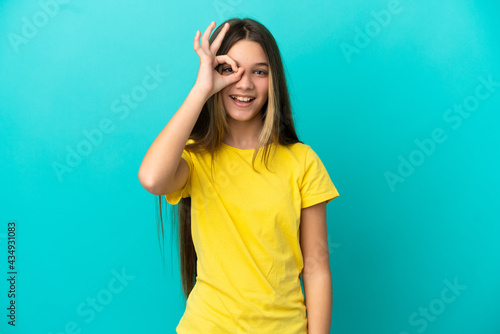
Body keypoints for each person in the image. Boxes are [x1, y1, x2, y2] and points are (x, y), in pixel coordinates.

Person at [138, 17, 340, 334]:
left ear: (274, 81)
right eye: (230, 69)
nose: (244, 83)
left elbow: (316, 270)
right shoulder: (196, 159)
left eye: (259, 71)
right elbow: (152, 179)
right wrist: (201, 88)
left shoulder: (302, 162)